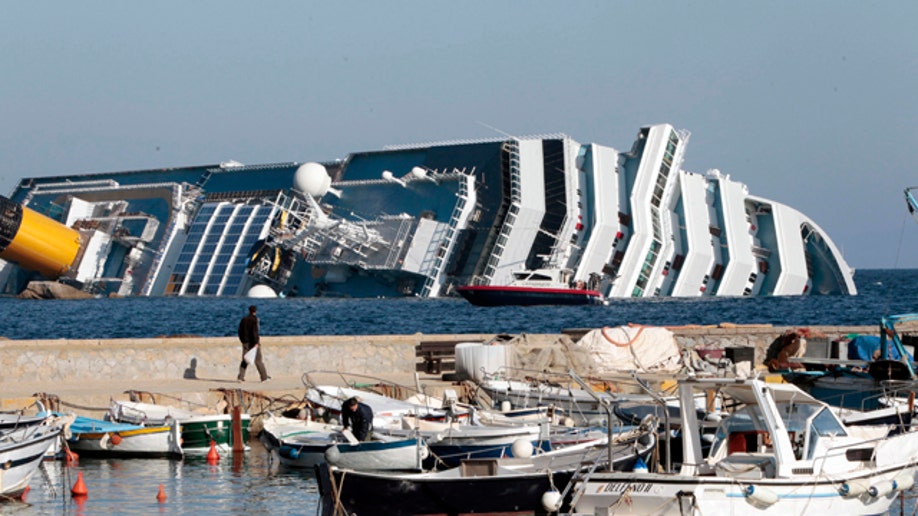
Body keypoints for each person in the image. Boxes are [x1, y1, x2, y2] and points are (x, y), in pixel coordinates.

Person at [237, 305, 270, 382]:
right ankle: (264, 377)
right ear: (255, 311)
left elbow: (239, 331)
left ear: (249, 311)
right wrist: (256, 342)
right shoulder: (255, 320)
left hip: (245, 342)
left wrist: (243, 340)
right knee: (258, 360)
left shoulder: (244, 319)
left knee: (245, 359)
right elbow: (255, 332)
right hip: (253, 343)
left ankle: (240, 377)